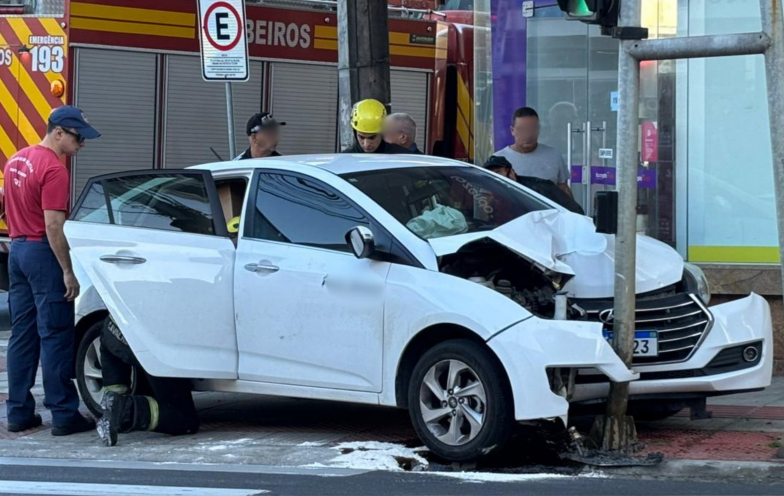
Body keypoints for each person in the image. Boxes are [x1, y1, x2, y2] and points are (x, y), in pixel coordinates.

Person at [4, 106, 100, 435]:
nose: (81, 145)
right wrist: (68, 271)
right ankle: (63, 414)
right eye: (78, 138)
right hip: (42, 253)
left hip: (17, 250)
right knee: (56, 335)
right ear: (58, 132)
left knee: (23, 334)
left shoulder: (16, 159)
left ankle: (18, 413)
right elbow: (54, 226)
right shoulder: (54, 169)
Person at [97, 316, 199, 446]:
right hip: (147, 340)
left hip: (112, 326)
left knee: (132, 390)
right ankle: (123, 411)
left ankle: (113, 408)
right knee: (185, 419)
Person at [493, 107, 573, 198]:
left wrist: (575, 211)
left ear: (538, 129)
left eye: (532, 129)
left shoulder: (554, 156)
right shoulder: (498, 161)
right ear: (512, 130)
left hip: (549, 212)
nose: (528, 135)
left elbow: (563, 190)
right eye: (522, 130)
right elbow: (488, 198)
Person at [484, 155, 585, 215]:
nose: (494, 178)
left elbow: (575, 211)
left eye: (497, 173)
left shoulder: (540, 187)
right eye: (490, 175)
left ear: (511, 172)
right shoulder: (493, 195)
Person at [341, 99, 410, 154]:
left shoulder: (401, 156)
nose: (366, 144)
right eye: (361, 137)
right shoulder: (344, 159)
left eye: (372, 137)